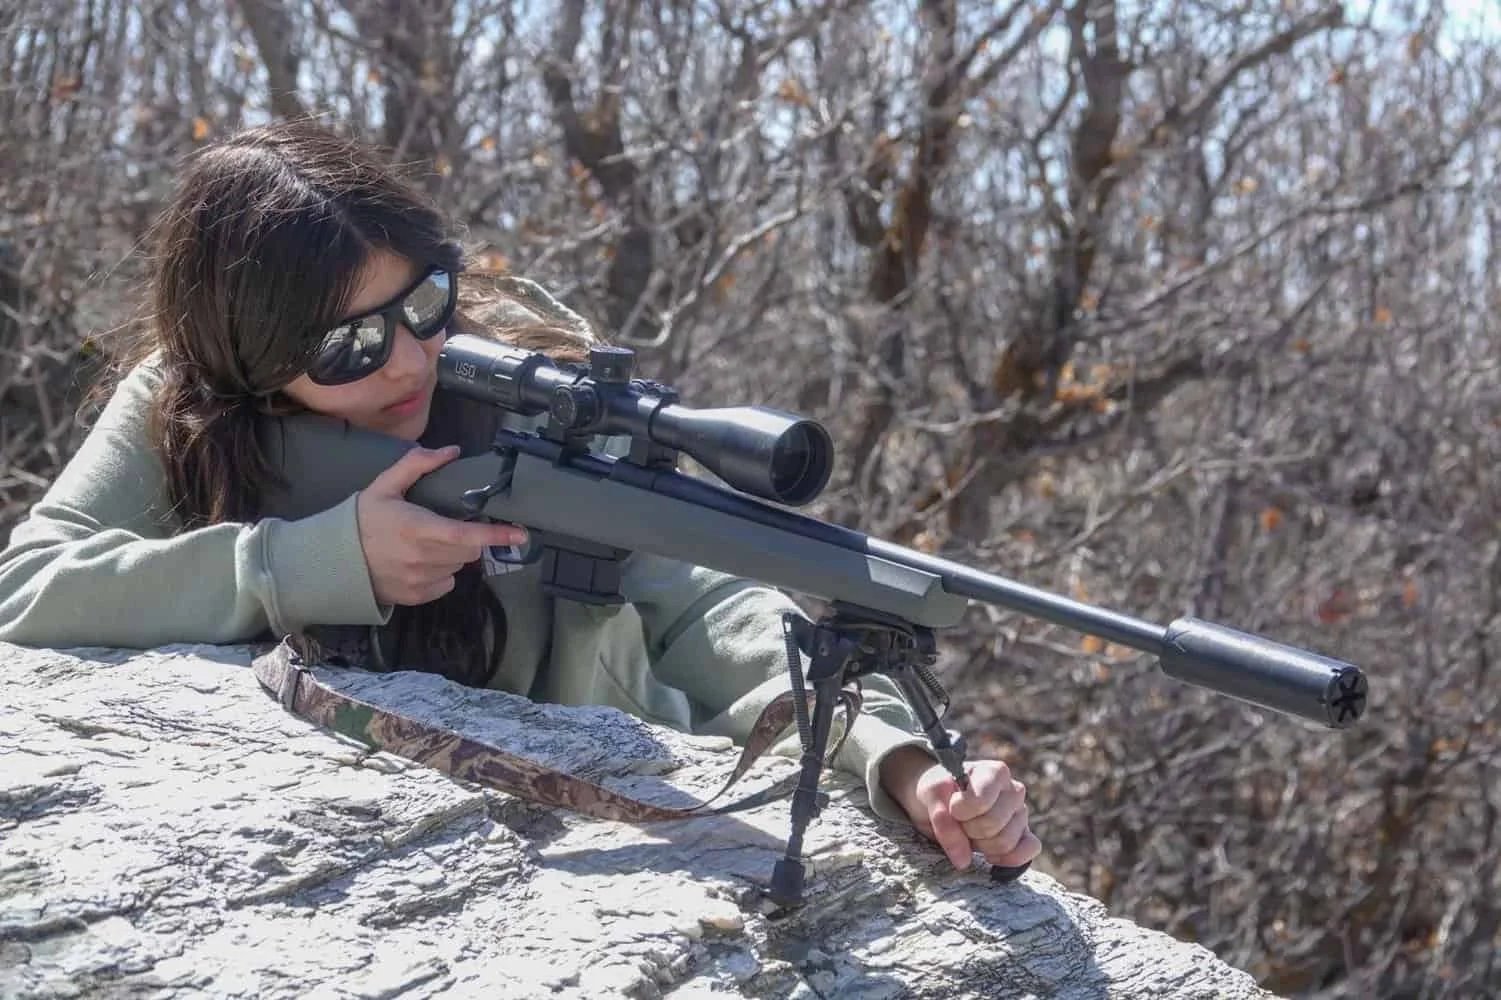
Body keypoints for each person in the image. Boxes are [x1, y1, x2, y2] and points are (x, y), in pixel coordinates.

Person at [0, 121, 1040, 876]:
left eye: (426, 303)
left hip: (617, 834)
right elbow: (30, 586)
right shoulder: (183, 408)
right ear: (255, 360)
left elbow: (712, 607)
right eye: (352, 345)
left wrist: (900, 760)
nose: (410, 357)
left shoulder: (528, 394)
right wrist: (316, 560)